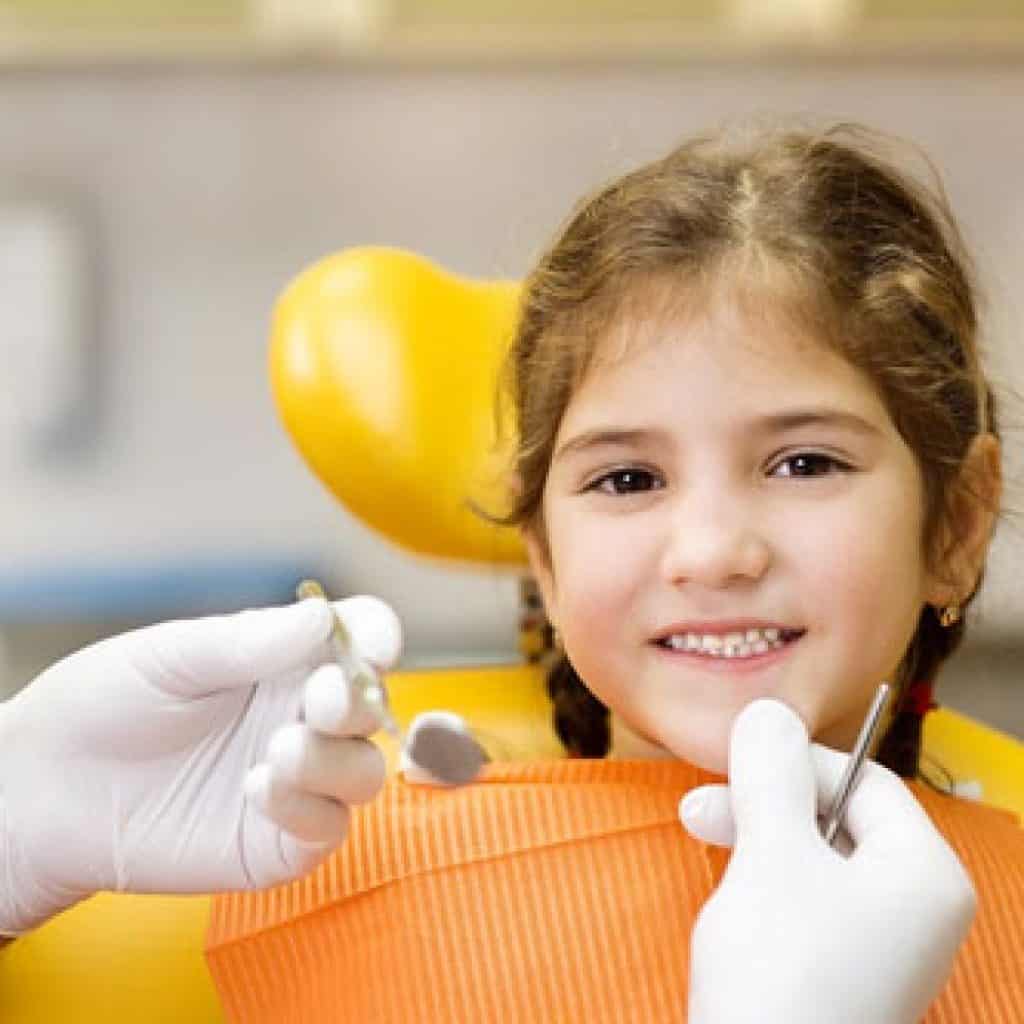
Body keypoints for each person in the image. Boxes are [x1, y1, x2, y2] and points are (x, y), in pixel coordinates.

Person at [1, 121, 1018, 1022]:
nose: (711, 551)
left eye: (804, 463)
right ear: (542, 550)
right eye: (626, 477)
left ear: (956, 522)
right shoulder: (303, 867)